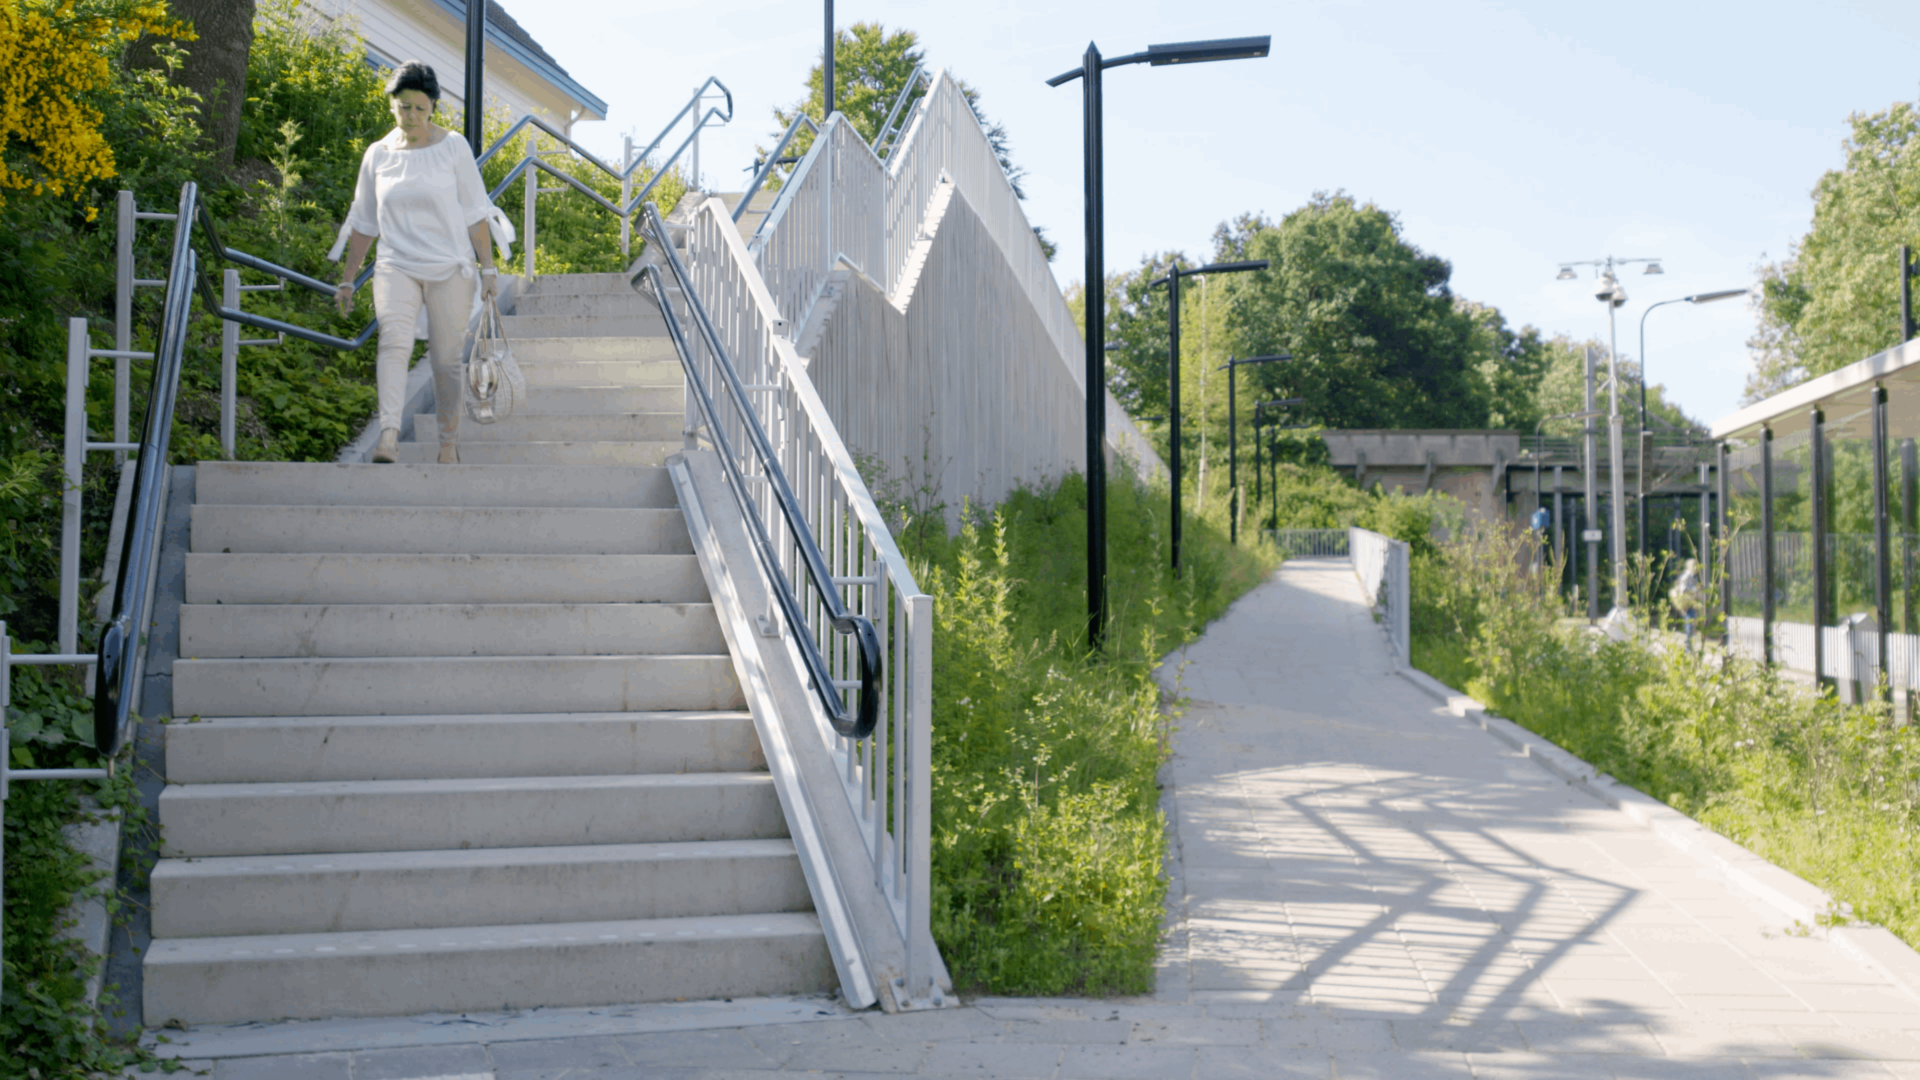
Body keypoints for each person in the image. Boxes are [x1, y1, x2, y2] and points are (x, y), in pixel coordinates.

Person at [331, 60, 500, 464]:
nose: (411, 116)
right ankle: (388, 436)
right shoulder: (377, 155)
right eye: (404, 107)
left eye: (420, 108)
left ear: (433, 108)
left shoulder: (453, 147)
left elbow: (475, 212)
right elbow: (365, 221)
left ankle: (447, 442)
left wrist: (488, 268)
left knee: (445, 359)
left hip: (450, 268)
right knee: (393, 342)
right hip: (396, 265)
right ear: (393, 105)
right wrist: (348, 279)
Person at [1670, 557, 1704, 646]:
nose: (1697, 568)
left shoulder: (1692, 576)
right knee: (1689, 623)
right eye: (1696, 566)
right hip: (1687, 603)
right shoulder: (1686, 576)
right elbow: (1683, 589)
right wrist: (1696, 589)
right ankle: (1688, 647)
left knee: (1692, 623)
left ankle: (1690, 645)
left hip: (1691, 602)